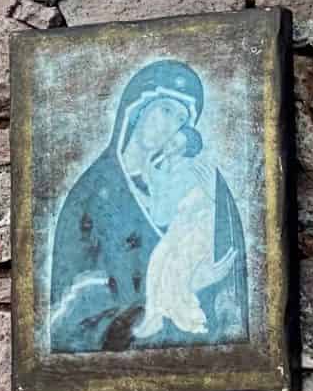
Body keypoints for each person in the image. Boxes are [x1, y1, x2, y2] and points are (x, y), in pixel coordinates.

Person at [46, 59, 248, 353]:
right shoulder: (90, 193)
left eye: (180, 122)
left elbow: (231, 295)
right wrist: (173, 293)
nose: (169, 128)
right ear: (137, 109)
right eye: (165, 111)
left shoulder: (195, 184)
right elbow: (69, 313)